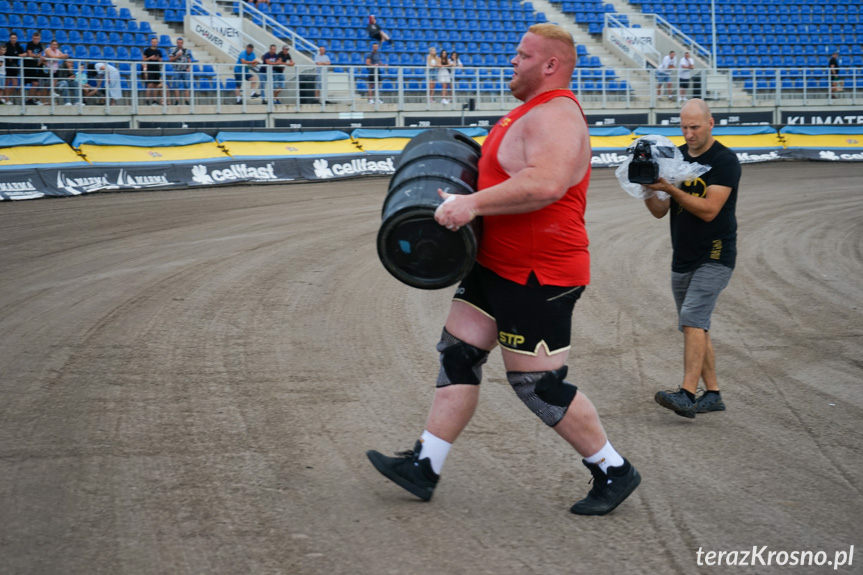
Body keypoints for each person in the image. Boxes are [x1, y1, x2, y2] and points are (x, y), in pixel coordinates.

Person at [366, 23, 641, 516]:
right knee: (457, 355)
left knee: (538, 385)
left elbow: (546, 183)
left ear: (550, 65)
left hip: (539, 275)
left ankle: (612, 469)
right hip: (498, 266)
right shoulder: (529, 112)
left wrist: (470, 206)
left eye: (522, 55)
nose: (511, 61)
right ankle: (424, 465)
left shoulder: (557, 115)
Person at [643, 98, 741, 419]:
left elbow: (710, 209)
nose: (688, 134)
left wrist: (671, 189)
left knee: (692, 319)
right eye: (684, 127)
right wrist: (648, 186)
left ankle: (686, 393)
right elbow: (659, 211)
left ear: (710, 124)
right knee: (695, 326)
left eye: (694, 127)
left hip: (715, 254)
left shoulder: (724, 161)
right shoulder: (678, 157)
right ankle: (712, 394)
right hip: (682, 256)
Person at [23, 31, 47, 106]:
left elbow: (39, 54)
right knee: (24, 83)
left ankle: (30, 99)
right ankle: (22, 99)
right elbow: (30, 54)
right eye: (35, 38)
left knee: (35, 83)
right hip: (27, 66)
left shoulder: (39, 45)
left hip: (34, 66)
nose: (36, 40)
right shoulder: (30, 44)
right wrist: (38, 56)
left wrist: (39, 58)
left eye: (38, 39)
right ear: (32, 38)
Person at [168, 37, 193, 105]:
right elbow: (170, 60)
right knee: (176, 86)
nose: (179, 44)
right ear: (176, 43)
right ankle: (177, 101)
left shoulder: (186, 50)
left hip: (184, 70)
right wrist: (177, 56)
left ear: (182, 43)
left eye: (180, 43)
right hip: (177, 70)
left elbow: (189, 60)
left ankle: (187, 100)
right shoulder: (174, 51)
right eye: (178, 43)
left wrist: (189, 67)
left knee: (186, 86)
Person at [4, 33, 25, 105]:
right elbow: (8, 55)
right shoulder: (7, 45)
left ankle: (5, 97)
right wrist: (18, 55)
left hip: (15, 67)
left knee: (15, 84)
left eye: (15, 38)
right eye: (12, 38)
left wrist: (19, 55)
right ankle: (6, 99)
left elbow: (24, 54)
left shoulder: (18, 46)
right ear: (10, 38)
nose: (13, 39)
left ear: (16, 39)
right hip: (7, 66)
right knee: (6, 83)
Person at [142, 36, 164, 105]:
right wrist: (150, 58)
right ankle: (147, 100)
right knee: (149, 85)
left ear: (157, 43)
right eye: (153, 42)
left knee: (156, 85)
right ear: (151, 42)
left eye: (155, 42)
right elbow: (143, 59)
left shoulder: (159, 51)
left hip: (157, 69)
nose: (154, 43)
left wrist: (157, 58)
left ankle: (154, 100)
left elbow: (161, 61)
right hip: (150, 69)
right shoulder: (147, 50)